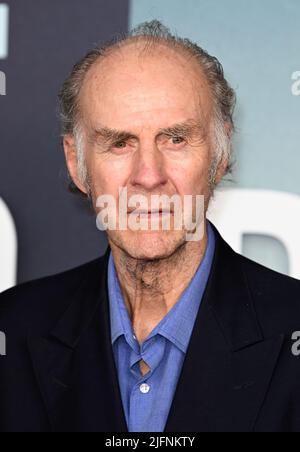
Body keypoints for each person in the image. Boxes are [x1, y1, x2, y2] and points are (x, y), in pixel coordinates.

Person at [1, 20, 300, 433]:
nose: (148, 175)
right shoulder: (12, 332)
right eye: (120, 142)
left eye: (175, 139)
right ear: (76, 163)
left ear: (220, 153)